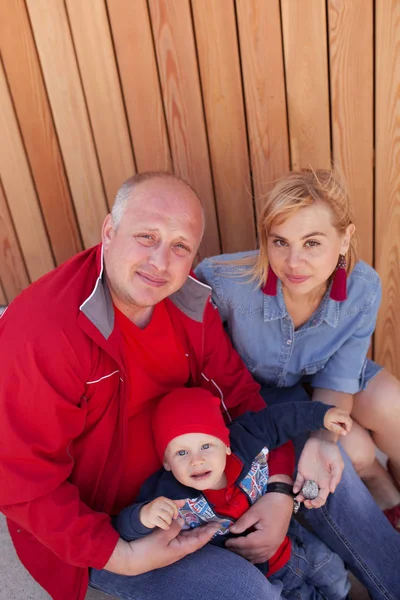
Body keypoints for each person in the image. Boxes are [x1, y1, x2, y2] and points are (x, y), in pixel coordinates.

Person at [0, 171, 399, 600]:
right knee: (245, 589)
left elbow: (243, 400)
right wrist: (120, 554)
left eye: (180, 247)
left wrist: (280, 491)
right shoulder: (40, 333)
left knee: (318, 458)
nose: (160, 262)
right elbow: (22, 483)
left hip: (206, 474)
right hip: (116, 524)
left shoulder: (186, 303)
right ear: (110, 231)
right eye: (146, 236)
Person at [195, 168, 400, 531]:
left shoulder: (362, 288)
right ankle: (383, 489)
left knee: (393, 406)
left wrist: (323, 434)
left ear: (344, 238)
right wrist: (323, 437)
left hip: (324, 374)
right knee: (356, 451)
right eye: (280, 242)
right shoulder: (225, 283)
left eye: (312, 243)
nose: (293, 262)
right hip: (267, 393)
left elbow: (339, 375)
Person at [114, 386, 353, 600]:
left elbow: (279, 419)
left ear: (225, 444)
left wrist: (320, 416)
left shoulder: (245, 441)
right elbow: (124, 529)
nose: (197, 461)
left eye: (206, 446)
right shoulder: (168, 495)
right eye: (181, 453)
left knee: (337, 579)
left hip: (295, 538)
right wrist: (143, 516)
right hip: (268, 573)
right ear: (166, 462)